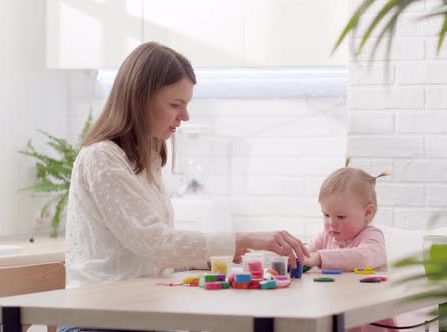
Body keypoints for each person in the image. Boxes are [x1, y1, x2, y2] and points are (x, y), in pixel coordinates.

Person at [63, 41, 309, 295]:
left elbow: (150, 256)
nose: (185, 116)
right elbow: (155, 243)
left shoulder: (147, 159)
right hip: (98, 315)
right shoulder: (101, 158)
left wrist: (217, 255)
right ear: (140, 99)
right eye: (175, 105)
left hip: (139, 307)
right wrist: (243, 239)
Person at [303, 159, 397, 332]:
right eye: (326, 215)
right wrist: (289, 259)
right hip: (334, 312)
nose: (331, 223)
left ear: (367, 212)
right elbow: (305, 257)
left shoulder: (372, 237)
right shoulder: (325, 236)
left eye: (340, 217)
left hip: (368, 321)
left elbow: (363, 257)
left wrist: (320, 257)